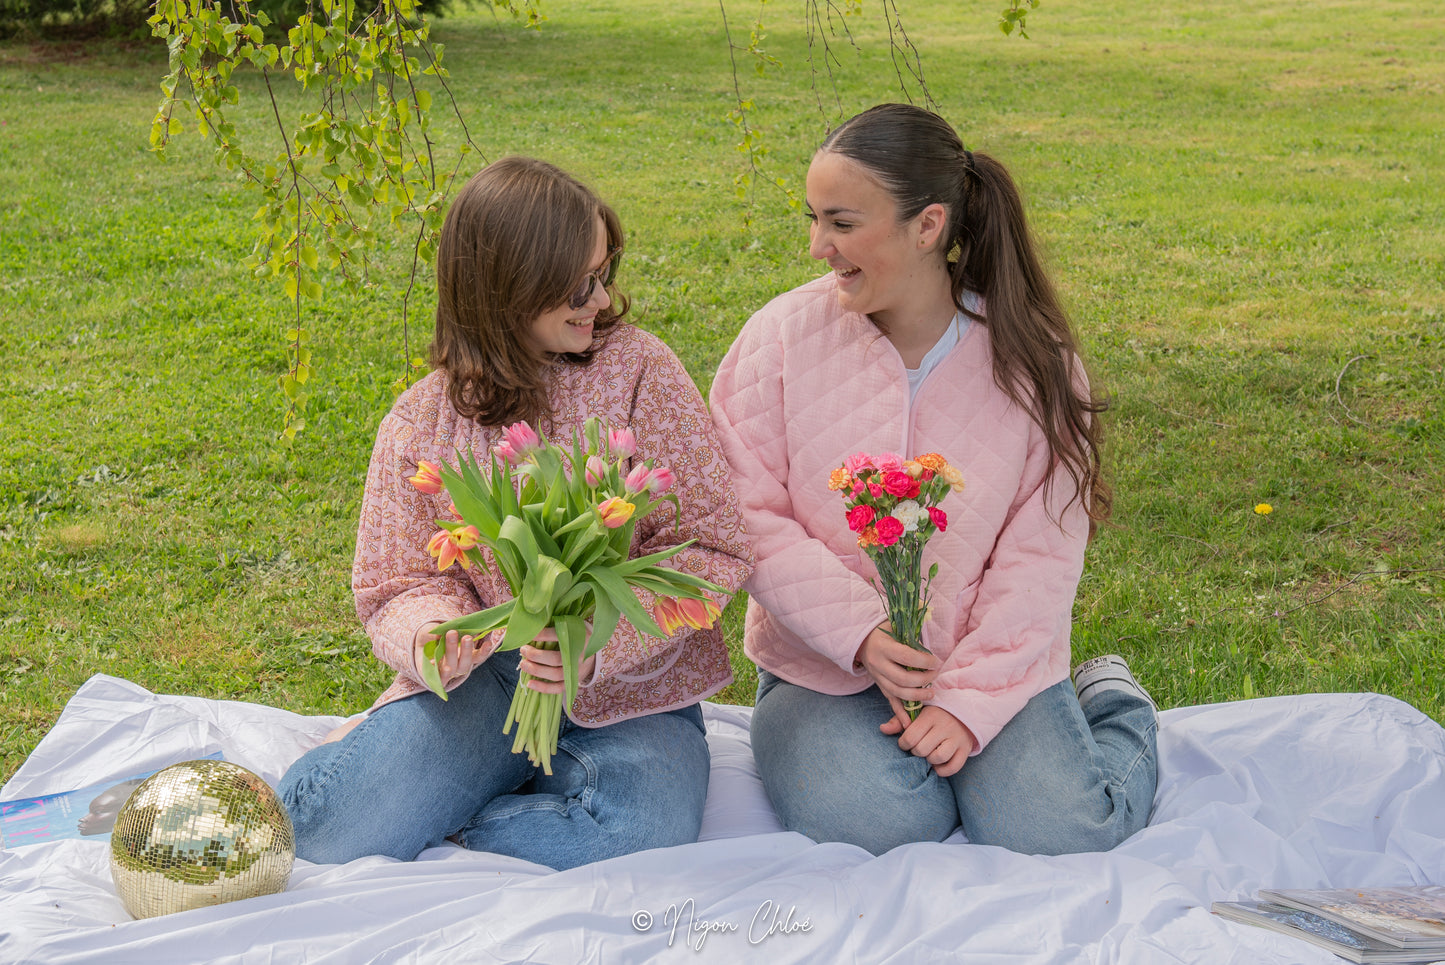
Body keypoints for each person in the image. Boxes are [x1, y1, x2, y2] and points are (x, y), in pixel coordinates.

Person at [277, 156, 752, 871]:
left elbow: (711, 547)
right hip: (490, 680)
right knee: (323, 832)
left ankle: (463, 815)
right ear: (505, 287)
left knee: (633, 832)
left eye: (604, 271)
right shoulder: (423, 421)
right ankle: (410, 765)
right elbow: (395, 582)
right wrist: (433, 637)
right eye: (575, 285)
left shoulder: (642, 374)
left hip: (633, 688)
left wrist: (595, 642)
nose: (599, 297)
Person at [710, 104, 1158, 857]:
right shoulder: (778, 339)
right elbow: (745, 511)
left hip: (992, 656)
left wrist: (970, 703)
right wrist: (859, 633)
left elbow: (1040, 555)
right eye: (814, 219)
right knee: (878, 819)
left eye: (842, 222)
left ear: (927, 226)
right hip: (822, 669)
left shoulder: (1032, 361)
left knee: (1060, 830)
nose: (817, 245)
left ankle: (1111, 699)